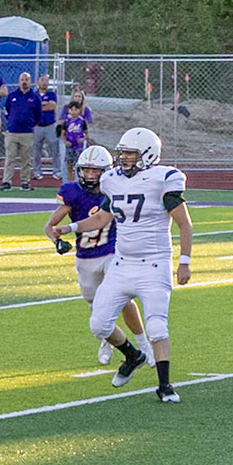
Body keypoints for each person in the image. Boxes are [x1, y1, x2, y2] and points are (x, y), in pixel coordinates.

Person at [71, 127, 192, 403]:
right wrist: (71, 227)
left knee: (158, 327)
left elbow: (185, 224)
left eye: (130, 153)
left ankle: (165, 386)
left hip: (154, 263)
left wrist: (184, 261)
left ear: (148, 155)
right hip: (122, 264)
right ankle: (132, 355)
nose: (123, 158)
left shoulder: (163, 179)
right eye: (123, 153)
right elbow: (102, 218)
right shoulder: (113, 179)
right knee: (99, 325)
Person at [44, 145, 151, 366]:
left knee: (123, 299)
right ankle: (108, 341)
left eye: (95, 171)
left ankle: (143, 343)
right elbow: (50, 226)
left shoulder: (115, 188)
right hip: (85, 258)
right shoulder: (72, 192)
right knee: (98, 311)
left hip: (112, 252)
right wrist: (58, 242)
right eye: (86, 170)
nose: (90, 175)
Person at [1, 73, 41, 191]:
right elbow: (7, 111)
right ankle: (7, 182)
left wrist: (30, 125)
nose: (24, 82)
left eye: (27, 80)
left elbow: (38, 115)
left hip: (27, 133)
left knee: (26, 159)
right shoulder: (12, 96)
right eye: (22, 79)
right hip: (12, 132)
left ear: (30, 81)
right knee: (10, 158)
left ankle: (25, 182)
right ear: (19, 81)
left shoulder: (35, 98)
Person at [32, 74, 61, 181]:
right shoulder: (33, 95)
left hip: (50, 125)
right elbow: (32, 108)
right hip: (37, 126)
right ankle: (37, 171)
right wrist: (43, 104)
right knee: (36, 150)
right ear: (38, 81)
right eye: (42, 80)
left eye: (46, 80)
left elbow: (51, 106)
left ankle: (57, 171)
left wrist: (40, 105)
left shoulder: (51, 94)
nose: (44, 82)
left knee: (55, 149)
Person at [60, 88, 92, 183]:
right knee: (67, 162)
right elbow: (62, 126)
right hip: (69, 140)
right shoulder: (66, 110)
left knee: (79, 162)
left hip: (79, 142)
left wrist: (83, 138)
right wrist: (65, 140)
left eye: (79, 96)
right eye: (76, 96)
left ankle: (79, 181)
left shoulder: (85, 112)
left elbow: (87, 128)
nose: (77, 98)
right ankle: (66, 182)